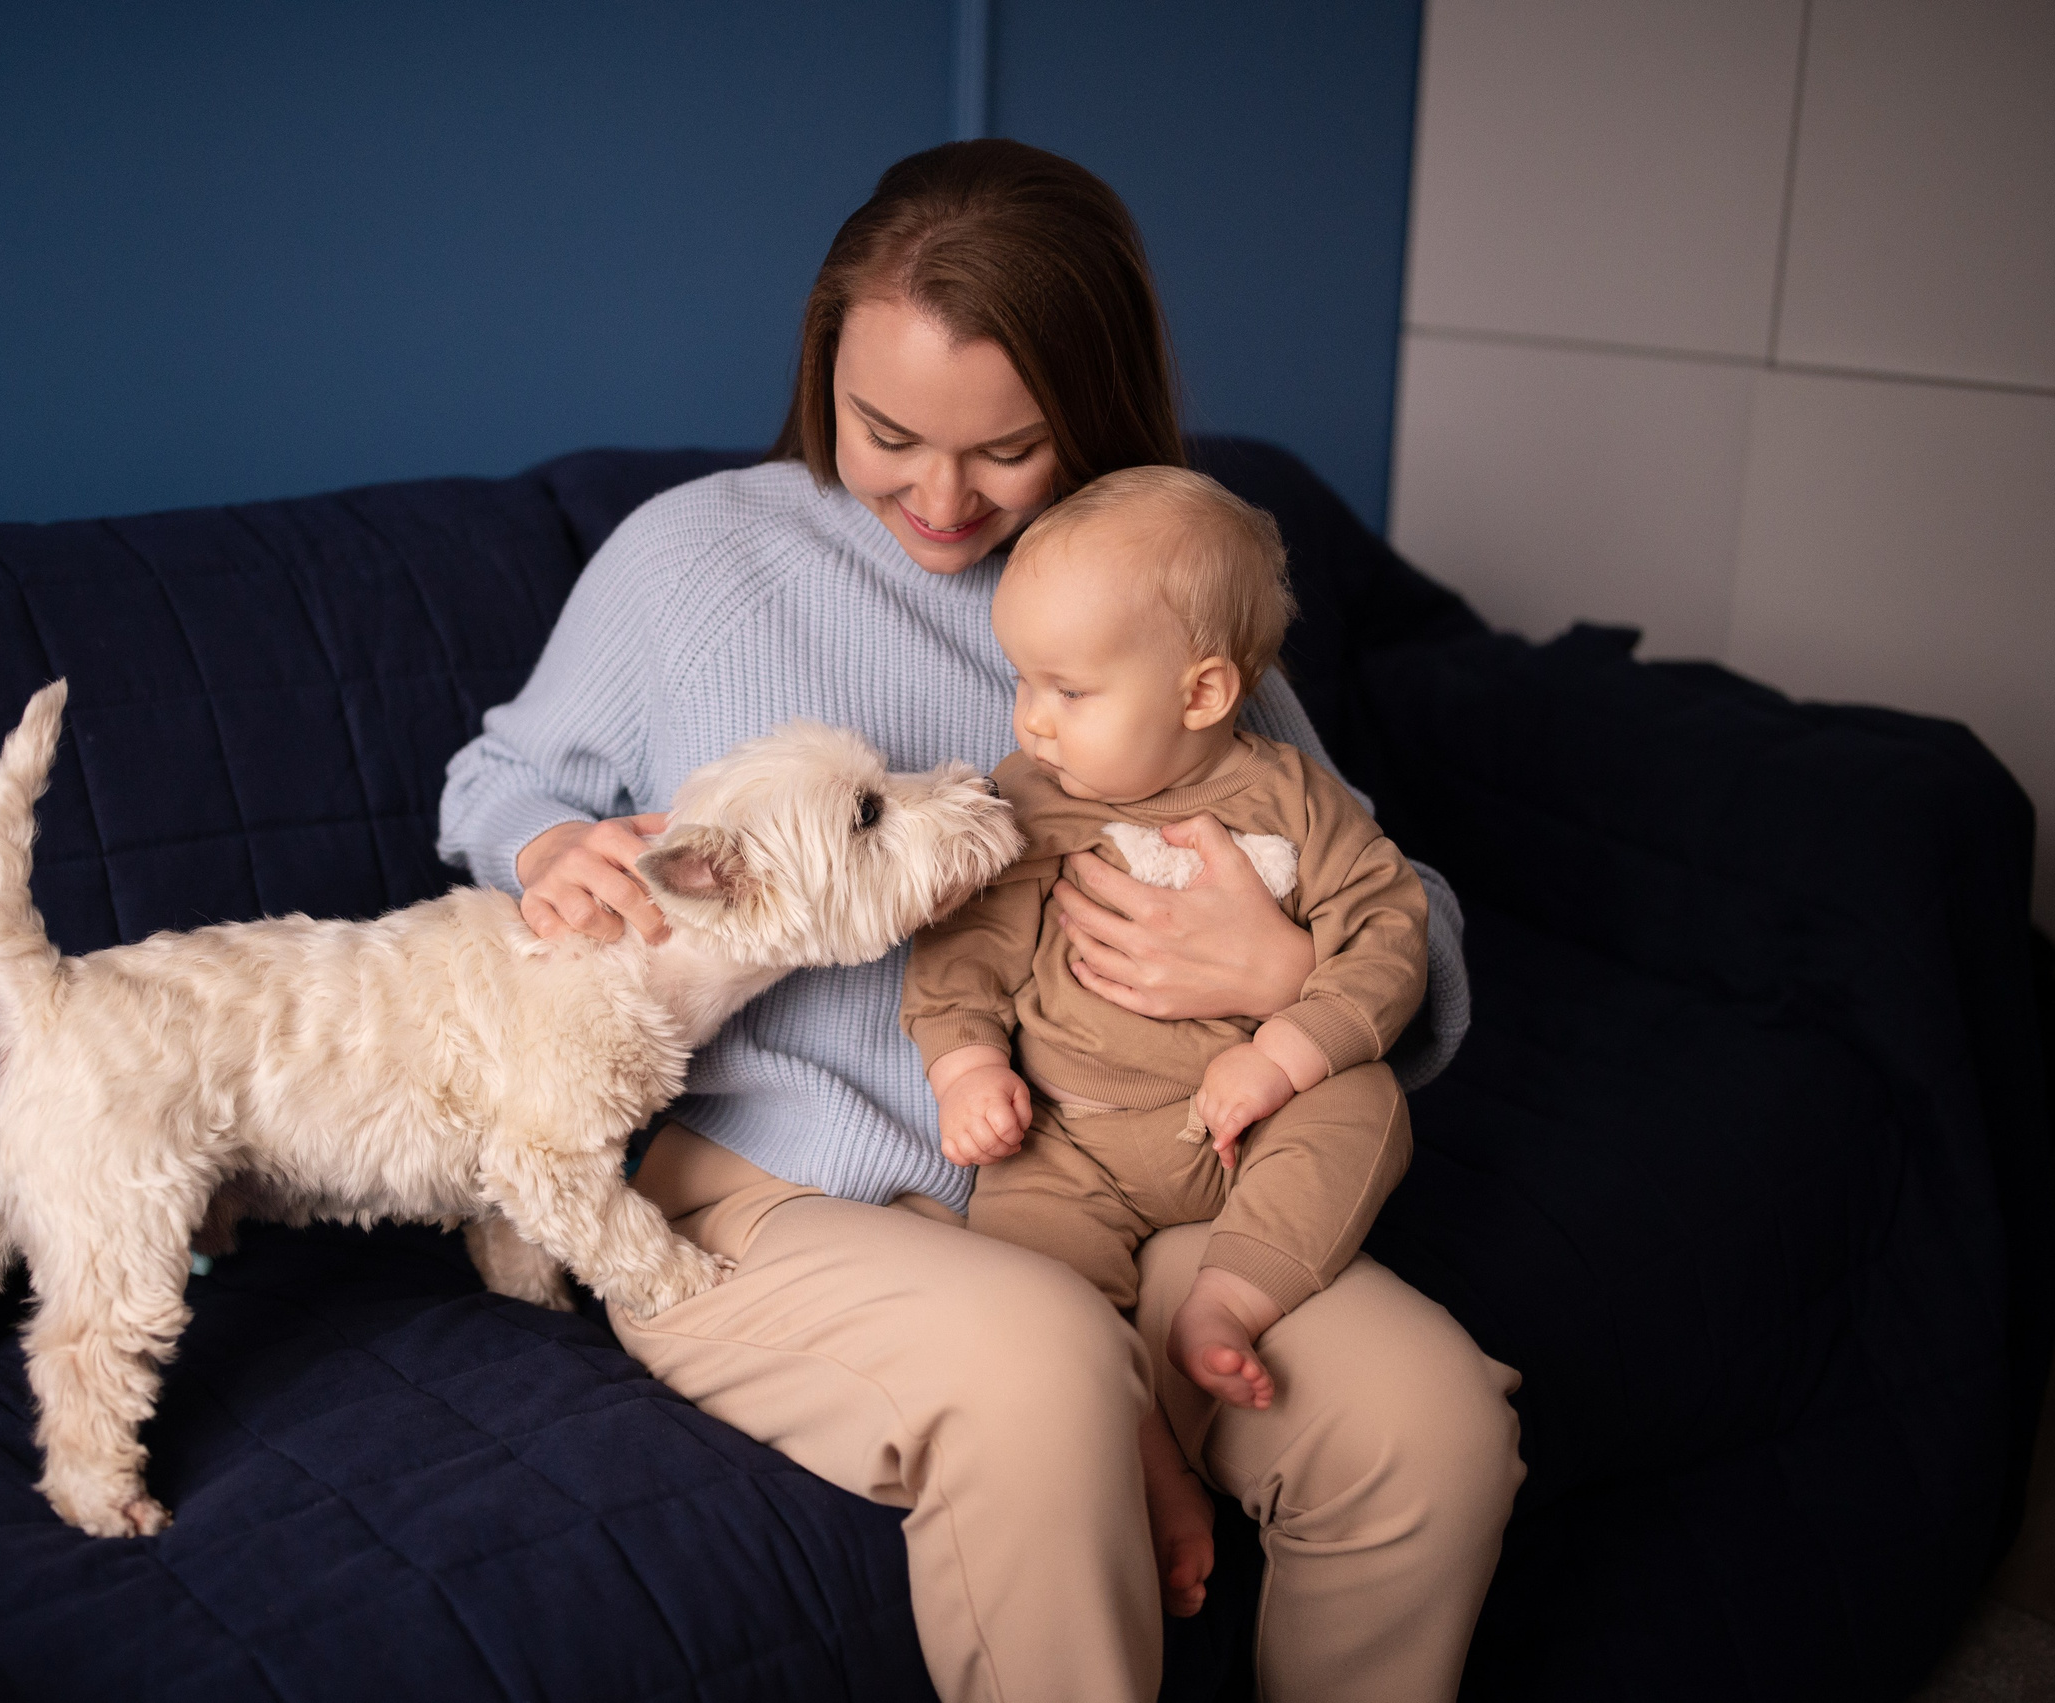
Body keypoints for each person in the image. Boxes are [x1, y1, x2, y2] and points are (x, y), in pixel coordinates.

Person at [437, 138, 1522, 1703]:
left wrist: (1285, 971)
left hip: (1145, 1185)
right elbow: (502, 771)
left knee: (1433, 1425)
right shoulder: (694, 558)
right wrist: (548, 846)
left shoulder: (1150, 574)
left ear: (1090, 411)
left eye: (1008, 449)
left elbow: (1386, 890)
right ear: (824, 374)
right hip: (778, 1195)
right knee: (1042, 1370)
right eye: (887, 433)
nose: (942, 499)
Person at [902, 462, 1433, 1610]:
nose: (1029, 719)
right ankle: (1155, 1469)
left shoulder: (1299, 803)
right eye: (1020, 682)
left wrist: (1283, 1050)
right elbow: (963, 949)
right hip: (1071, 1139)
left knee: (1365, 1100)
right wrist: (967, 1062)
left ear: (1201, 693)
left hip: (1245, 1129)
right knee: (1034, 1295)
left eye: (1069, 690)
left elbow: (1393, 936)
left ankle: (1227, 1299)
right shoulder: (1032, 800)